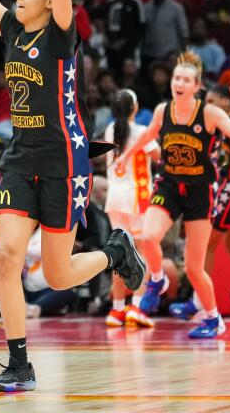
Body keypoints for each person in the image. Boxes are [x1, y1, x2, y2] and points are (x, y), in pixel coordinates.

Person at [0, 0, 145, 391]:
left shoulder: (61, 33)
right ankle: (20, 362)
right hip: (20, 157)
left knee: (60, 275)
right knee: (7, 255)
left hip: (67, 160)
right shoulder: (12, 32)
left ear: (50, 2)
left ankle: (113, 252)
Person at [119, 52, 230, 338]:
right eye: (176, 78)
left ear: (196, 87)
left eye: (186, 80)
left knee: (194, 268)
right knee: (147, 236)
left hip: (199, 191)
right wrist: (125, 156)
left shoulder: (209, 113)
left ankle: (213, 319)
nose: (179, 83)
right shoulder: (161, 111)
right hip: (169, 184)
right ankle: (156, 280)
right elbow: (147, 137)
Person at [170, 84, 230, 321]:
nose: (207, 106)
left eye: (211, 101)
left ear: (224, 101)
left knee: (207, 245)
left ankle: (198, 303)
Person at [103, 89, 160, 328]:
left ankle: (116, 310)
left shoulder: (109, 130)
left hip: (114, 198)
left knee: (120, 253)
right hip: (137, 197)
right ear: (135, 109)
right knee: (142, 252)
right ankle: (136, 306)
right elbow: (158, 156)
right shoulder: (140, 133)